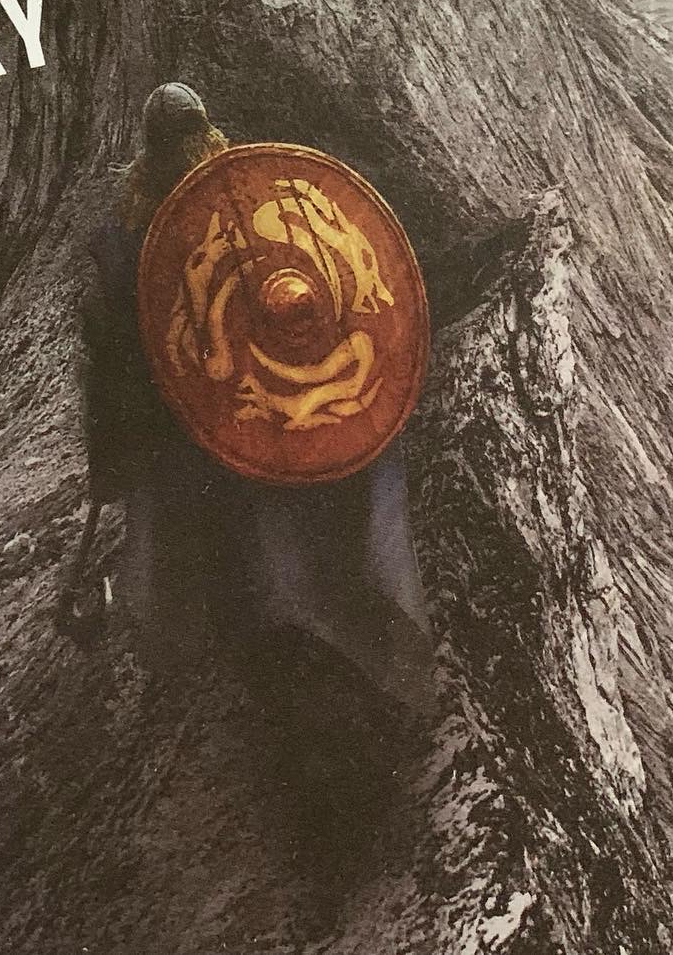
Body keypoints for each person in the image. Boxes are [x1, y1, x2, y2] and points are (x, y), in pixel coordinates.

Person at [76, 83, 435, 771]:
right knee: (301, 580)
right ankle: (346, 732)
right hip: (251, 444)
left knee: (249, 600)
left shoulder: (127, 249)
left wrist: (111, 466)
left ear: (148, 158)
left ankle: (323, 740)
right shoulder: (242, 217)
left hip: (219, 457)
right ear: (209, 136)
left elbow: (111, 377)